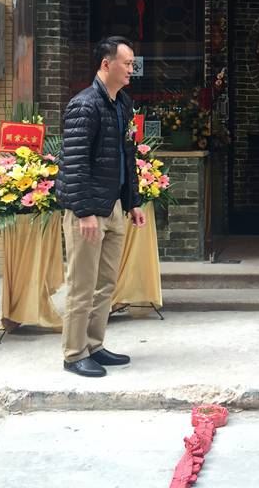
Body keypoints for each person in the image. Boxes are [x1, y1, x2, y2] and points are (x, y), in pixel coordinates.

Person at [58, 36, 147, 377]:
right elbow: (75, 163)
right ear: (106, 64)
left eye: (132, 63)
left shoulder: (122, 103)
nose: (131, 69)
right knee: (82, 285)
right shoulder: (84, 105)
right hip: (89, 211)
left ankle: (94, 345)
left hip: (113, 206)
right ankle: (74, 353)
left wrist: (133, 201)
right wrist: (83, 211)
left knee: (106, 284)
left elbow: (127, 155)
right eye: (127, 63)